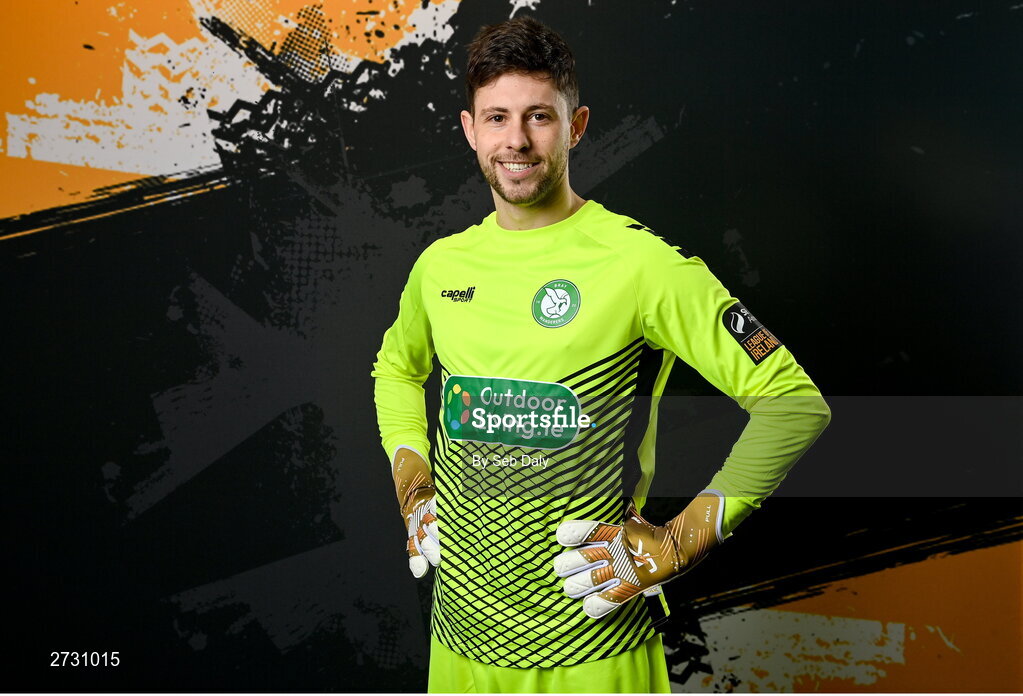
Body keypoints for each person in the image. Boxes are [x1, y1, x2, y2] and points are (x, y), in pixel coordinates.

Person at [371, 16, 831, 693]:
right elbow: (395, 369)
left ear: (576, 125)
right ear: (470, 129)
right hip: (460, 646)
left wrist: (679, 542)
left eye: (539, 117)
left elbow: (793, 406)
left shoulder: (637, 262)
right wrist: (414, 489)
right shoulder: (440, 267)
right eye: (496, 117)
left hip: (595, 648)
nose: (516, 140)